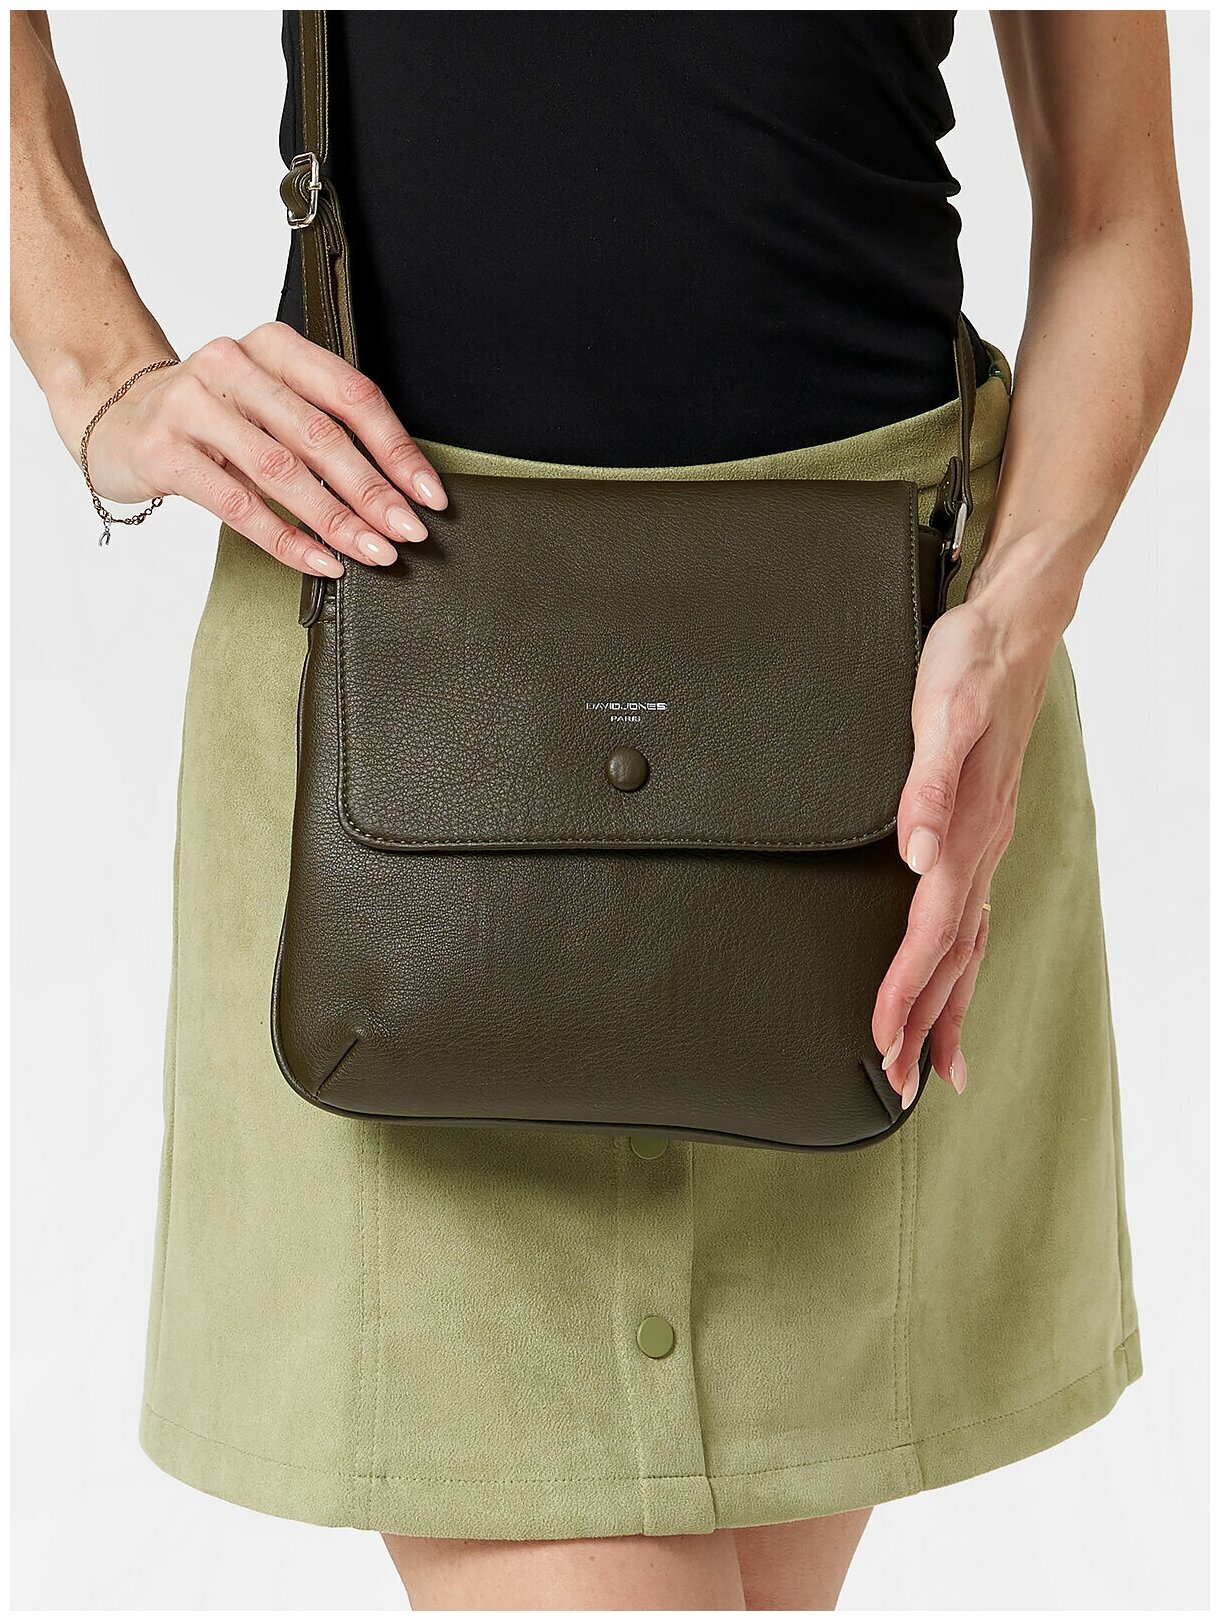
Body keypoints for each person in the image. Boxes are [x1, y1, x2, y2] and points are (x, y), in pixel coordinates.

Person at [11, 10, 1190, 1611]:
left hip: (878, 746)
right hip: (412, 773)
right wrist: (99, 372)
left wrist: (1016, 620)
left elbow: (1118, 216)